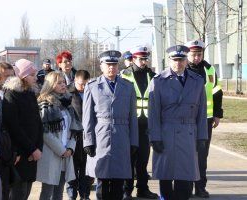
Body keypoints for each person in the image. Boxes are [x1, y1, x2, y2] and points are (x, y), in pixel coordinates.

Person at [148, 45, 208, 200]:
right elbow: (153, 113)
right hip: (166, 133)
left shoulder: (197, 81)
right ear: (170, 60)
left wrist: (202, 136)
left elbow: (202, 112)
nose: (178, 63)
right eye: (175, 60)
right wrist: (155, 138)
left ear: (186, 60)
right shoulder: (158, 81)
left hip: (189, 134)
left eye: (181, 59)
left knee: (186, 180)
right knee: (166, 178)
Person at [82, 50, 139, 200]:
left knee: (118, 181)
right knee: (102, 179)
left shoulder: (128, 86)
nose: (111, 68)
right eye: (108, 64)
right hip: (101, 136)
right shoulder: (92, 86)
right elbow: (87, 118)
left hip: (122, 137)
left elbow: (133, 116)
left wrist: (134, 141)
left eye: (114, 64)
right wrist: (88, 141)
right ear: (101, 66)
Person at [185, 39, 223, 198]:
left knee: (202, 155)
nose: (196, 58)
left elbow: (217, 93)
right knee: (186, 153)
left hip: (205, 120)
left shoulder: (209, 70)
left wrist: (217, 114)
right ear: (187, 54)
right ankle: (185, 187)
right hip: (186, 120)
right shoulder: (182, 69)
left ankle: (200, 187)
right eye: (193, 55)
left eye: (199, 54)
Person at [36, 71, 82, 200]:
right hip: (51, 153)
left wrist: (70, 148)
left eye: (64, 82)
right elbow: (45, 132)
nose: (63, 85)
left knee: (59, 192)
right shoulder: (44, 104)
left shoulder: (67, 102)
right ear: (50, 85)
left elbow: (74, 128)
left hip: (66, 154)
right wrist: (61, 150)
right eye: (59, 83)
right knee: (47, 192)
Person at [2, 58, 43, 200]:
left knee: (26, 193)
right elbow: (14, 127)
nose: (35, 78)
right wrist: (32, 149)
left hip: (32, 155)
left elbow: (38, 123)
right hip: (19, 154)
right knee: (17, 194)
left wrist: (38, 148)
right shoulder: (11, 94)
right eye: (32, 75)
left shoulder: (31, 94)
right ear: (23, 76)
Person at [121, 46, 158, 199]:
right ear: (134, 59)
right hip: (130, 124)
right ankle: (126, 190)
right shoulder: (124, 75)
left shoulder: (153, 76)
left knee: (143, 159)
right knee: (128, 158)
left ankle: (142, 188)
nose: (143, 61)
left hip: (146, 125)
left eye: (145, 58)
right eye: (140, 59)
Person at [66, 70, 94, 200]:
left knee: (86, 171)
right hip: (73, 136)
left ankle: (85, 195)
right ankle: (72, 195)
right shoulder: (67, 93)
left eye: (85, 84)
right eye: (80, 84)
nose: (83, 87)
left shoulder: (92, 91)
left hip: (88, 137)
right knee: (72, 169)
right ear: (75, 80)